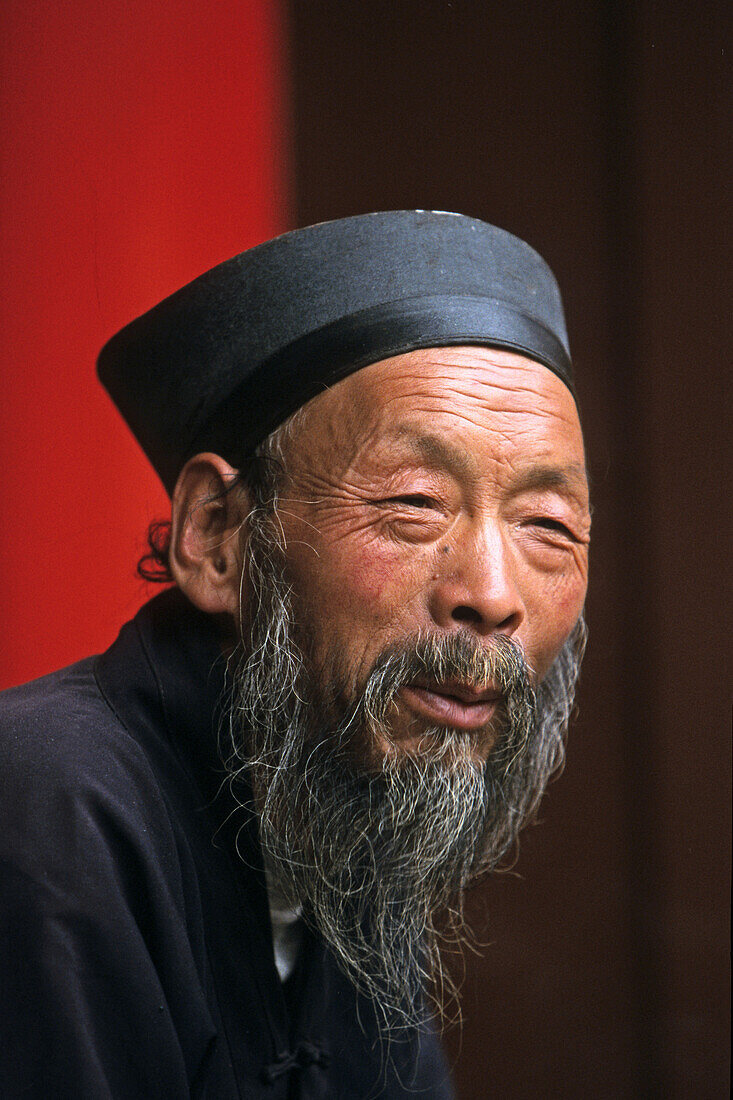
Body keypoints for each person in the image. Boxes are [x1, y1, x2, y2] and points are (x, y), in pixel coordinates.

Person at [0, 211, 590, 1098]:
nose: (494, 593)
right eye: (414, 502)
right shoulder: (46, 803)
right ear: (216, 533)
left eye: (548, 525)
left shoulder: (342, 817)